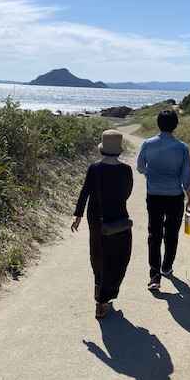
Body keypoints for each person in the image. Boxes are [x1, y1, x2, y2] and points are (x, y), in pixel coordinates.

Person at [71, 129, 133, 318]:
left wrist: (78, 215)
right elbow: (127, 193)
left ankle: (98, 288)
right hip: (118, 216)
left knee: (97, 252)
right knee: (116, 256)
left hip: (96, 216)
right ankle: (102, 302)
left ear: (102, 149)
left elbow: (85, 192)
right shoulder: (125, 170)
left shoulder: (94, 169)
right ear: (119, 150)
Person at [137, 108, 190, 290]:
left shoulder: (148, 144)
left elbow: (140, 166)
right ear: (175, 125)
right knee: (171, 234)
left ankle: (155, 275)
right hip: (174, 197)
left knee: (154, 235)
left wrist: (149, 174)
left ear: (158, 124)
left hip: (154, 196)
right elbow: (187, 178)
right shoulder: (182, 147)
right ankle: (167, 267)